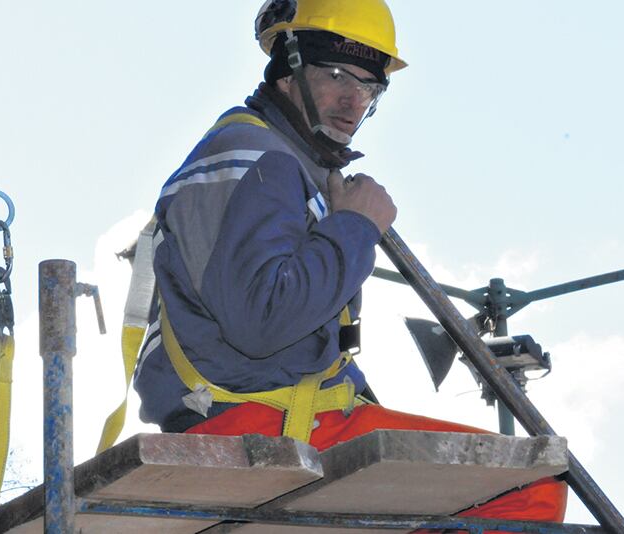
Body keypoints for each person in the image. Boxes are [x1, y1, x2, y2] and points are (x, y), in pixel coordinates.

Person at [132, 0, 566, 524]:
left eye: (369, 86)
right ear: (289, 67)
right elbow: (262, 323)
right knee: (525, 482)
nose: (353, 100)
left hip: (268, 412)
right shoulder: (260, 159)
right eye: (337, 74)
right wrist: (356, 227)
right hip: (259, 420)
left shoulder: (277, 161)